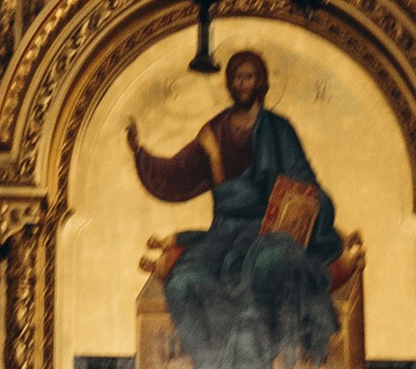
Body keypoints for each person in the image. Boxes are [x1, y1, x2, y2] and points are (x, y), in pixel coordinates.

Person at [129, 45, 346, 369]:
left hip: (267, 230)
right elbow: (177, 172)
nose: (244, 83)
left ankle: (246, 358)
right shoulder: (214, 132)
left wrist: (311, 202)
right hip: (223, 235)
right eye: (238, 77)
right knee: (184, 281)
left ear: (261, 82)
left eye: (250, 77)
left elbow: (304, 181)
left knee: (269, 264)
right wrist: (140, 154)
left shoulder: (279, 129)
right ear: (230, 84)